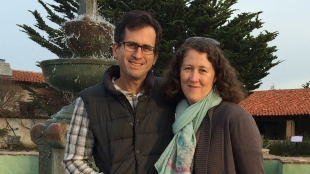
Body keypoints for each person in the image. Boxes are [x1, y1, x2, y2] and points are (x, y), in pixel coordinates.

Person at [63, 10, 176, 174]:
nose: (138, 55)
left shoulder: (170, 94)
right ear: (116, 49)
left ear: (155, 56)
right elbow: (73, 160)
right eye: (131, 45)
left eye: (146, 48)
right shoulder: (89, 101)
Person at [155, 37, 264, 174]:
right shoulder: (172, 115)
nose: (193, 78)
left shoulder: (236, 118)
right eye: (188, 68)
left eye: (202, 70)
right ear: (178, 73)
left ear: (216, 76)